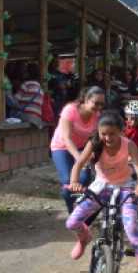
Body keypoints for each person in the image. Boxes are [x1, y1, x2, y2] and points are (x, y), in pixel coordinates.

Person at [65, 112, 138, 273]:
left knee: (131, 229)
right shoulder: (94, 143)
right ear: (98, 132)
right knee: (72, 222)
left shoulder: (129, 145)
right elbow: (78, 164)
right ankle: (84, 238)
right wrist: (74, 182)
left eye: (112, 133)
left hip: (126, 188)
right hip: (101, 187)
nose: (107, 137)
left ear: (121, 131)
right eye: (103, 133)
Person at [50, 86, 105, 214]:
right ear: (86, 99)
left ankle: (81, 209)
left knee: (85, 178)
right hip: (61, 147)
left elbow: (97, 138)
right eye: (96, 103)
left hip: (82, 147)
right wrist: (80, 158)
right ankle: (72, 212)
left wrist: (93, 154)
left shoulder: (97, 116)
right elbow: (66, 138)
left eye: (101, 104)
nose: (98, 107)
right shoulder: (70, 110)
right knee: (68, 181)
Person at [15, 62, 46, 128]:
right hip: (37, 119)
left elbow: (15, 100)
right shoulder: (40, 88)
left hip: (25, 117)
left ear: (28, 73)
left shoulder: (26, 84)